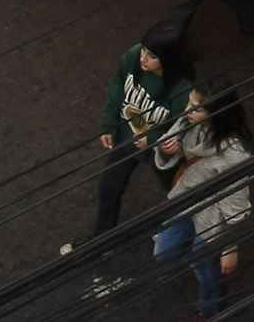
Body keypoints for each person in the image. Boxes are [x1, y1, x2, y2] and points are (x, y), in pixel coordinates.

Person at [63, 30, 194, 255]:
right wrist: (110, 123)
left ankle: (190, 236)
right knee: (109, 187)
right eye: (144, 50)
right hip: (128, 137)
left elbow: (183, 126)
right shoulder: (134, 57)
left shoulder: (182, 89)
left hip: (162, 152)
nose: (143, 57)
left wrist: (153, 140)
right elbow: (117, 86)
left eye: (151, 56)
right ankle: (103, 241)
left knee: (181, 193)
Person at [163, 85, 254, 314]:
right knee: (165, 251)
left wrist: (229, 247)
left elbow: (236, 206)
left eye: (197, 107)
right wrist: (170, 149)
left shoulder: (234, 155)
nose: (188, 110)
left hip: (212, 215)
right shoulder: (191, 126)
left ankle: (211, 308)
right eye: (189, 102)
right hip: (186, 200)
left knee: (204, 266)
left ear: (217, 113)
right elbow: (172, 146)